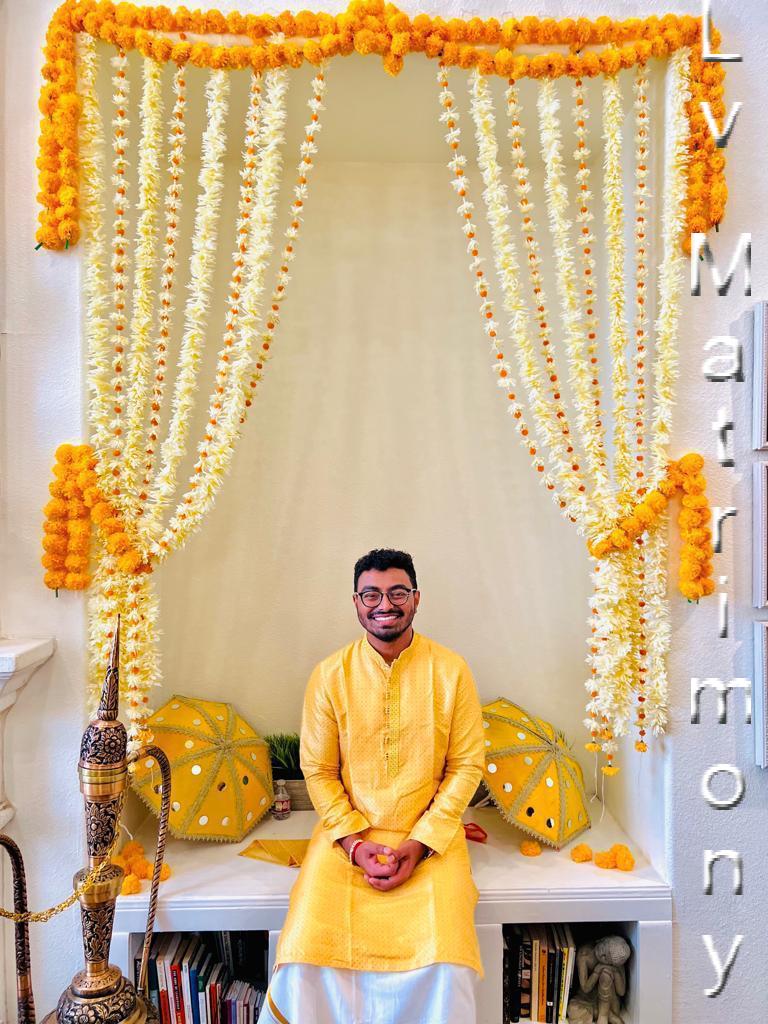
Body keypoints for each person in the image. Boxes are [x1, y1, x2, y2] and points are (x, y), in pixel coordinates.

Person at [258, 548, 487, 1024]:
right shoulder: (330, 675)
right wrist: (354, 844)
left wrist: (421, 843)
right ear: (356, 603)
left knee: (448, 962)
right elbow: (318, 770)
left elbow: (466, 765)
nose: (385, 604)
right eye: (372, 594)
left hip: (432, 838)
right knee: (303, 955)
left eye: (398, 592)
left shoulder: (451, 670)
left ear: (416, 598)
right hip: (345, 838)